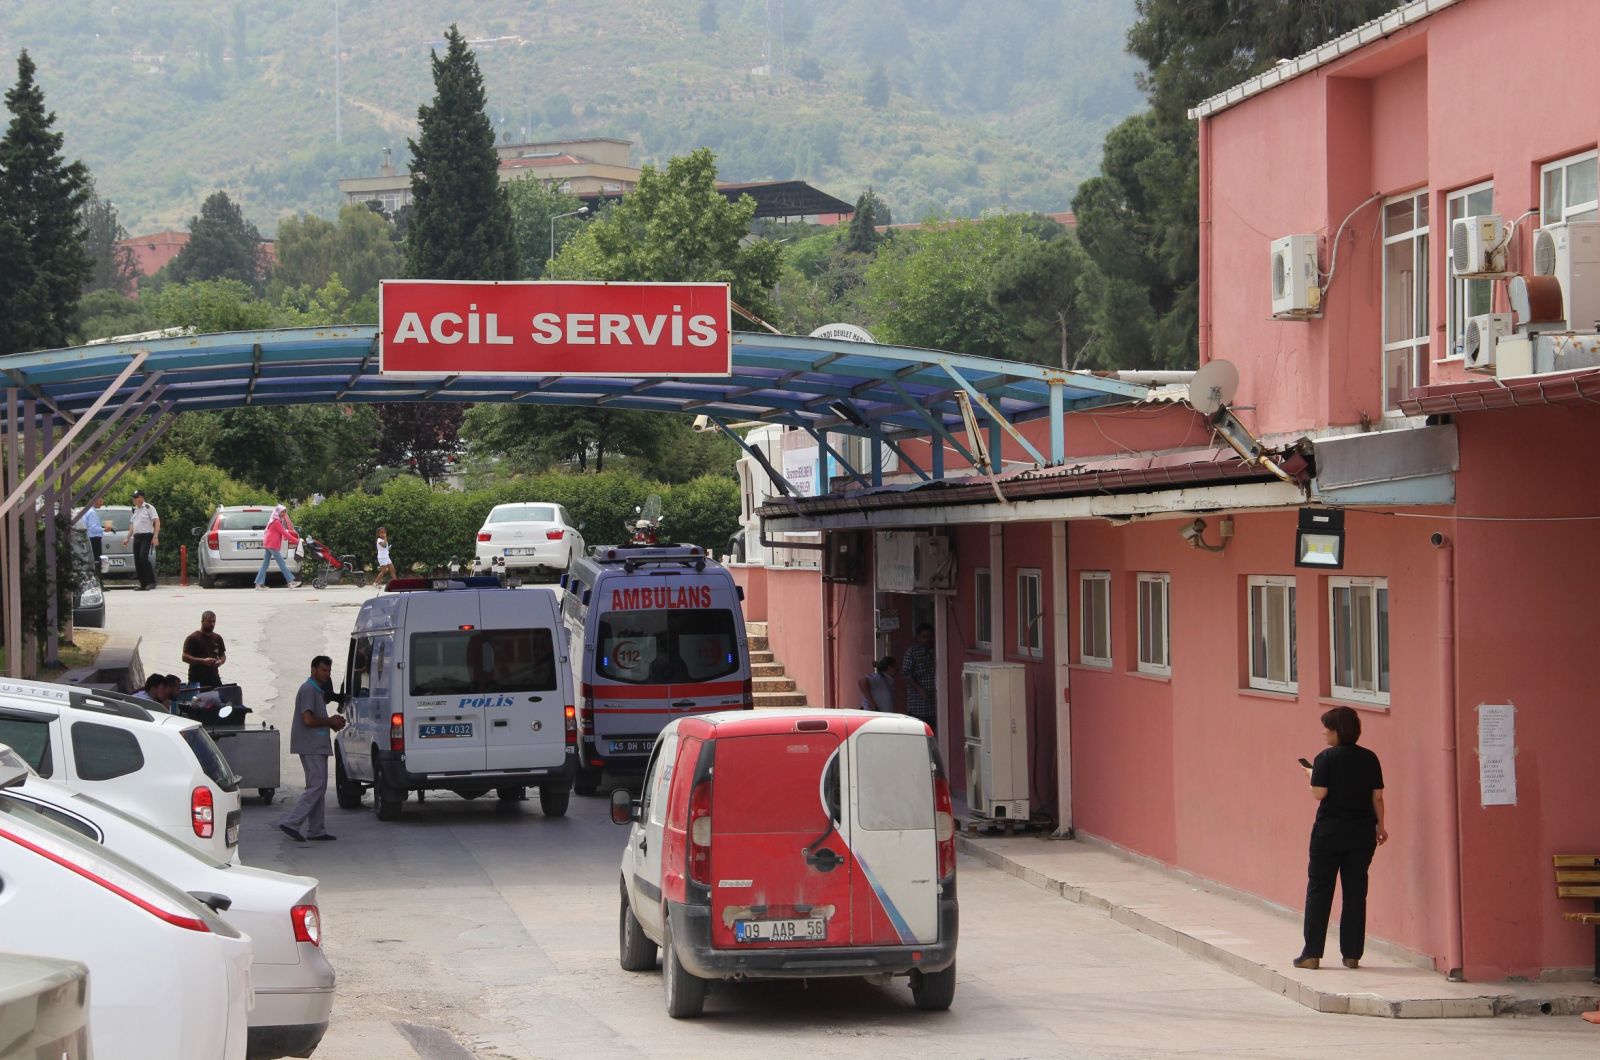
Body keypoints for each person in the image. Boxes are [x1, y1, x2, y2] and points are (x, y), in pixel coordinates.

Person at [1294, 706, 1388, 970]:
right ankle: (1352, 954)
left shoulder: (1325, 758)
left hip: (1328, 835)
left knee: (1319, 891)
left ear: (1336, 731)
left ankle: (1311, 953)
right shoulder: (1370, 758)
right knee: (1356, 893)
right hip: (1361, 835)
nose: (1324, 732)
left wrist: (1311, 775)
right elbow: (1377, 797)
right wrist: (1381, 826)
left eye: (1327, 727)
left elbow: (1319, 794)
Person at [278, 655, 346, 843]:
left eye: (329, 671)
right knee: (316, 787)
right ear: (313, 669)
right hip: (311, 745)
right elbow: (307, 719)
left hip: (317, 744)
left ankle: (316, 829)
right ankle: (292, 823)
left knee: (318, 787)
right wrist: (330, 721)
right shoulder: (308, 689)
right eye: (324, 670)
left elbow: (316, 718)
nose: (327, 674)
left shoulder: (317, 690)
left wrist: (332, 724)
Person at [255, 504, 301, 591]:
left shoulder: (274, 520)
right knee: (281, 563)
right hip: (272, 544)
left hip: (268, 543)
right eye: (282, 512)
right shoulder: (276, 522)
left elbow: (282, 532)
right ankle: (291, 581)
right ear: (278, 512)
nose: (284, 513)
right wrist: (298, 541)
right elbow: (285, 534)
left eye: (285, 512)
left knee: (265, 564)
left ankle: (259, 584)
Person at [901, 623, 937, 731]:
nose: (928, 639)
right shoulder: (912, 653)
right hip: (919, 705)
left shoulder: (936, 651)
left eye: (930, 636)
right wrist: (919, 689)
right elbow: (906, 674)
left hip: (934, 705)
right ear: (918, 637)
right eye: (924, 637)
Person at [182, 611, 227, 687]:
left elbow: (223, 655)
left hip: (214, 678)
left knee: (221, 697)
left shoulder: (217, 638)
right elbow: (184, 657)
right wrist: (203, 661)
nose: (212, 624)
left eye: (214, 621)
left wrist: (220, 661)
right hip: (196, 679)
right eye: (209, 621)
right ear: (202, 621)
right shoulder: (193, 638)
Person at [128, 490, 160, 591]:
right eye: (133, 497)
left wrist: (155, 536)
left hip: (146, 536)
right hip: (137, 537)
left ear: (142, 498)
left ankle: (151, 582)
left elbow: (157, 522)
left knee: (143, 558)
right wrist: (127, 537)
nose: (134, 499)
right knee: (137, 561)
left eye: (136, 497)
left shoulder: (149, 508)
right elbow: (133, 525)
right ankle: (143, 584)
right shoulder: (134, 510)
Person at [76, 498, 105, 568]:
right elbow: (93, 528)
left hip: (88, 538)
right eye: (100, 500)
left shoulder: (87, 510)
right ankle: (96, 575)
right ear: (95, 501)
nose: (102, 503)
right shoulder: (92, 512)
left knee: (90, 559)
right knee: (96, 560)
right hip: (94, 539)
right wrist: (104, 529)